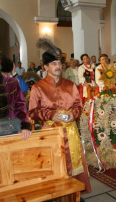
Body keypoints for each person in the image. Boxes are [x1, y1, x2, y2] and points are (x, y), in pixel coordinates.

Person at [28, 43, 91, 194]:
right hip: (50, 131)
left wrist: (73, 114)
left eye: (59, 63)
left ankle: (74, 192)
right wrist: (49, 114)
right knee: (54, 163)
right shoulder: (38, 87)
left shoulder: (70, 85)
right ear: (45, 67)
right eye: (53, 63)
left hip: (70, 131)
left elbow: (79, 106)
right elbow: (32, 112)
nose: (57, 66)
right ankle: (55, 192)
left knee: (72, 162)